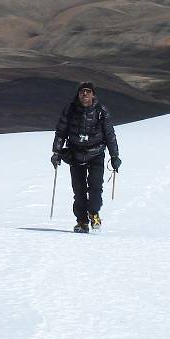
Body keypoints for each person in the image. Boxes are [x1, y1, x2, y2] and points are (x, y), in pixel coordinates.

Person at [50, 81, 121, 233]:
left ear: (93, 95)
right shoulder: (70, 110)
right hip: (75, 154)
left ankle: (94, 214)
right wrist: (56, 152)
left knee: (95, 187)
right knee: (79, 190)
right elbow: (61, 132)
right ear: (78, 94)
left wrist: (114, 155)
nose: (85, 94)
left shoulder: (101, 111)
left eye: (88, 91)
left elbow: (110, 134)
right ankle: (81, 221)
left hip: (96, 153)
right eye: (82, 91)